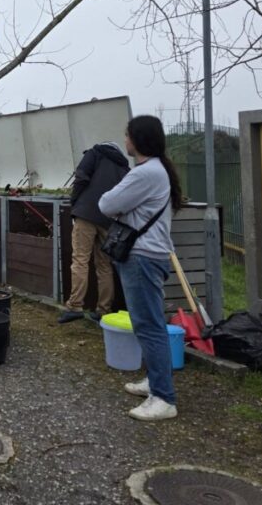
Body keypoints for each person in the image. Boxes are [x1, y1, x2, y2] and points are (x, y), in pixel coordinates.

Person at [99, 115, 183, 422]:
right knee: (147, 323)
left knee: (149, 326)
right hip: (148, 255)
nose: (125, 140)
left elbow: (106, 204)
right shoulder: (158, 170)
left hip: (143, 257)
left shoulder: (145, 174)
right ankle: (155, 381)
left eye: (127, 135)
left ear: (138, 139)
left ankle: (163, 397)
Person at [59, 142, 130, 323]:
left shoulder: (94, 153)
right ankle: (104, 310)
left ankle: (75, 305)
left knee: (80, 259)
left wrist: (74, 203)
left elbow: (81, 177)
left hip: (86, 213)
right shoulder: (124, 166)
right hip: (109, 219)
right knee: (104, 265)